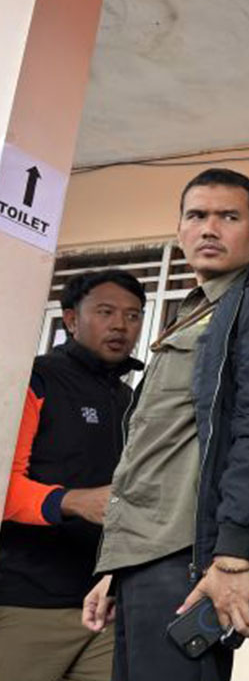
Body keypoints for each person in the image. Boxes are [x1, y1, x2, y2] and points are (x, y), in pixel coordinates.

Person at [81, 168, 249, 681]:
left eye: (228, 217)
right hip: (143, 557)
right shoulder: (190, 313)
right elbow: (154, 448)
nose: (209, 228)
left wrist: (233, 554)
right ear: (180, 230)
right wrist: (116, 567)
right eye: (197, 216)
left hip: (189, 557)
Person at [0, 270, 145, 681]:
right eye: (105, 312)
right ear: (70, 319)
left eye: (133, 315)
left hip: (106, 607)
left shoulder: (131, 399)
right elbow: (3, 485)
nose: (120, 325)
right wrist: (72, 501)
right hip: (27, 601)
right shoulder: (34, 379)